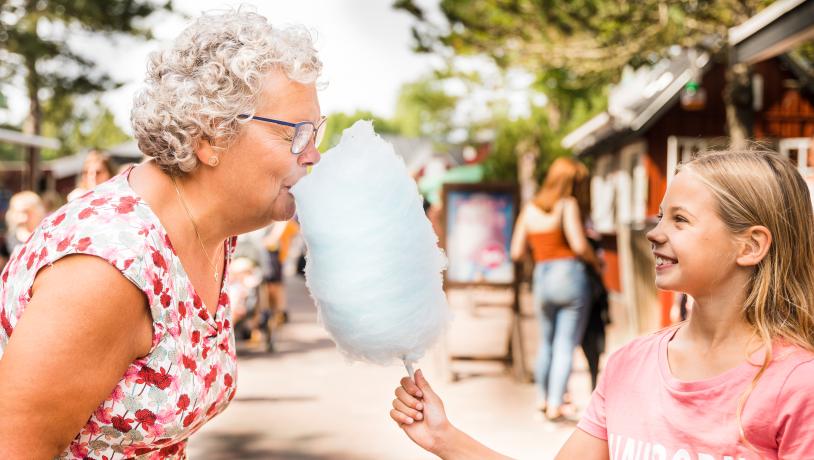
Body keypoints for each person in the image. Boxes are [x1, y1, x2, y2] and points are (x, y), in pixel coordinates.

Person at [0, 9, 324, 458]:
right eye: (297, 134)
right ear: (211, 136)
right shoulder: (106, 269)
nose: (313, 155)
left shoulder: (211, 231)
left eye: (316, 133)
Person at [391, 148, 814, 459]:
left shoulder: (797, 386)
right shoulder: (629, 363)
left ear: (751, 244)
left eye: (680, 219)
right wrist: (443, 437)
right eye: (661, 215)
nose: (655, 232)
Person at [508, 157, 600, 420]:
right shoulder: (566, 205)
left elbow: (516, 251)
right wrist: (596, 262)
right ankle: (555, 402)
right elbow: (580, 246)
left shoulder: (530, 209)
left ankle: (541, 397)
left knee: (546, 342)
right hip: (569, 275)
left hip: (542, 276)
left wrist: (538, 255)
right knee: (565, 343)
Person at [4, 191, 46, 256]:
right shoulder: (8, 240)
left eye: (28, 212)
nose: (23, 217)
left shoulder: (47, 235)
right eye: (18, 213)